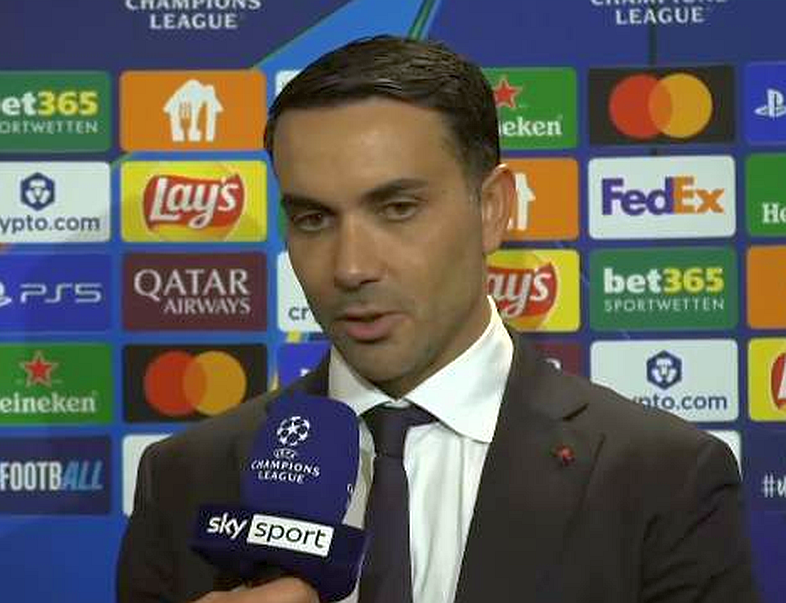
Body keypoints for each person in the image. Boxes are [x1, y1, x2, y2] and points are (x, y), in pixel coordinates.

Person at [117, 35, 760, 603]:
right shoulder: (186, 478)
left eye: (397, 208)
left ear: (493, 209)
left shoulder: (661, 478)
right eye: (313, 218)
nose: (350, 267)